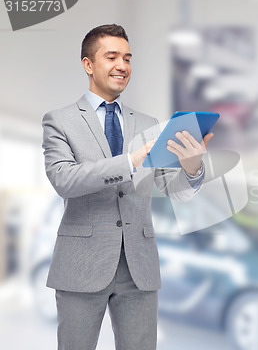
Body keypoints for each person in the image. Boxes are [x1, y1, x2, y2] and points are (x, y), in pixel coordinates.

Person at [41, 24, 213, 350]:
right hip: (82, 265)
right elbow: (64, 180)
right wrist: (130, 161)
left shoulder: (149, 124)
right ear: (88, 64)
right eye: (112, 56)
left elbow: (174, 190)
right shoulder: (60, 120)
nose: (122, 65)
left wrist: (192, 167)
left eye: (128, 58)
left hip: (139, 268)